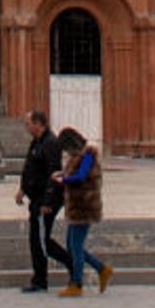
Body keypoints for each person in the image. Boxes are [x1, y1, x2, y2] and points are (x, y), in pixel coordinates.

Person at [52, 127, 113, 297]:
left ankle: (76, 284)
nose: (65, 151)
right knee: (73, 246)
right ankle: (102, 269)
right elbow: (72, 174)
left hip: (85, 206)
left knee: (76, 246)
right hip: (76, 206)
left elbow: (80, 176)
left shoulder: (88, 155)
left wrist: (63, 180)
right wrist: (61, 175)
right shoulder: (77, 157)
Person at [14, 110, 65, 292]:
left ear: (38, 124)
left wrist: (48, 202)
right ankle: (40, 280)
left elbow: (55, 174)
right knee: (37, 240)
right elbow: (31, 168)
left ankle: (72, 264)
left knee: (41, 240)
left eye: (28, 123)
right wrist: (23, 189)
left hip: (46, 200)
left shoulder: (51, 143)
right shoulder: (37, 142)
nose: (26, 127)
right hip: (36, 198)